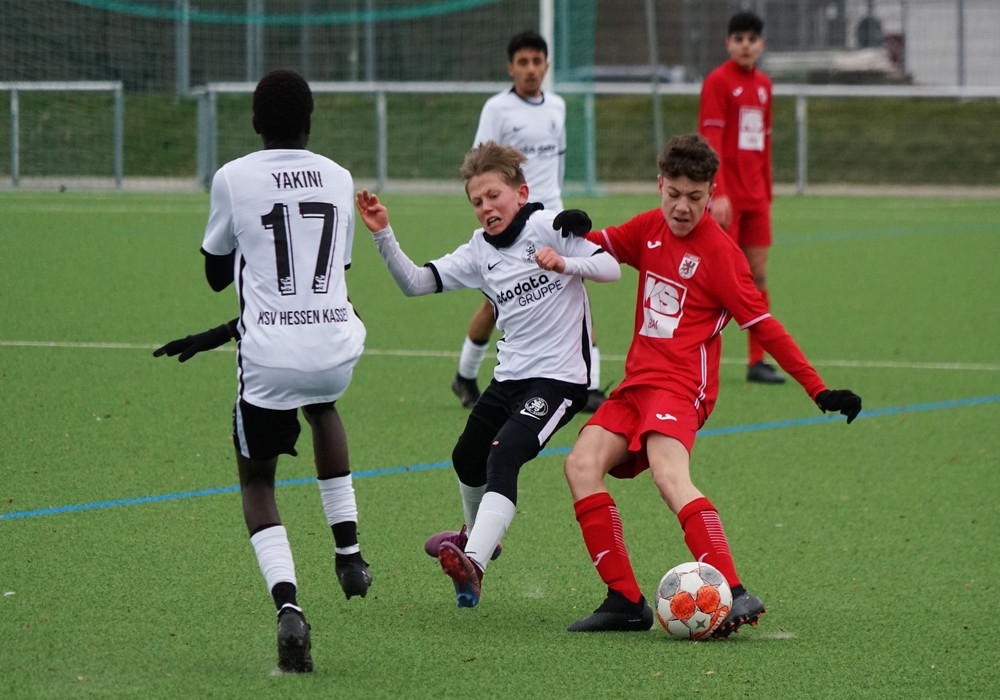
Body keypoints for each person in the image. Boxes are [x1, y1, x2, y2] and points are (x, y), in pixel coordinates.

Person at [561, 134, 862, 636]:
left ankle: (735, 591)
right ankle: (625, 601)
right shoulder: (649, 227)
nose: (682, 207)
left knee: (668, 474)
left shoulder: (721, 254)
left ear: (711, 193)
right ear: (660, 184)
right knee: (580, 465)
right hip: (636, 385)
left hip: (682, 387)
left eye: (695, 197)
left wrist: (818, 389)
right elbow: (601, 245)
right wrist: (574, 230)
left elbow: (764, 325)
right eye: (673, 193)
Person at [154, 69, 372, 673]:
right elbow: (335, 268)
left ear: (255, 122)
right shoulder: (339, 176)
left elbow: (215, 274)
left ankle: (289, 609)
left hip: (271, 355)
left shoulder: (233, 177)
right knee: (323, 405)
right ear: (310, 122)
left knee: (257, 482)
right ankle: (349, 551)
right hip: (336, 345)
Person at [355, 141, 620, 608]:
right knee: (466, 457)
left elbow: (609, 267)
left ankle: (473, 562)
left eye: (494, 195)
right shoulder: (479, 251)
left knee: (504, 455)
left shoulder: (549, 226)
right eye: (477, 201)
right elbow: (415, 283)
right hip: (510, 377)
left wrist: (565, 262)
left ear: (521, 193)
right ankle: (480, 536)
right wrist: (383, 233)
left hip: (559, 380)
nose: (486, 208)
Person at [450, 29, 608, 413]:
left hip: (550, 220)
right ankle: (465, 375)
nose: (531, 69)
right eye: (523, 62)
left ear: (547, 66)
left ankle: (590, 384)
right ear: (511, 68)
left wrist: (556, 208)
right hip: (512, 223)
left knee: (577, 290)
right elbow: (480, 166)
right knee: (496, 303)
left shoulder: (557, 107)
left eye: (537, 61)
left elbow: (557, 166)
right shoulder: (497, 109)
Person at [699, 11, 784, 384]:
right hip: (727, 199)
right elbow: (711, 139)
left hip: (756, 198)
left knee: (757, 275)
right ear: (728, 43)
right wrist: (717, 192)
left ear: (761, 45)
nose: (745, 45)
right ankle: (694, 353)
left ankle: (757, 360)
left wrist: (767, 190)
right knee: (719, 279)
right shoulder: (718, 82)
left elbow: (763, 140)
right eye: (739, 39)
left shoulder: (764, 85)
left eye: (752, 39)